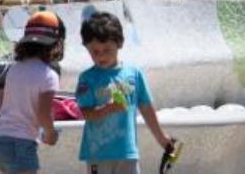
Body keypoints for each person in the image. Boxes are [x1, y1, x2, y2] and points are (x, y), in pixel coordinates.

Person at [74, 11, 174, 174]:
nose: (101, 56)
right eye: (95, 51)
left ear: (119, 43)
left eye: (107, 49)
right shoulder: (87, 79)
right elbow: (85, 113)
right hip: (97, 154)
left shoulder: (133, 74)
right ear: (87, 48)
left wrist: (162, 139)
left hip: (127, 153)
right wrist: (108, 109)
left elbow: (147, 109)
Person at [0, 11, 65, 174]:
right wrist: (50, 134)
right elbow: (43, 113)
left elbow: (2, 104)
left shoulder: (14, 70)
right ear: (55, 45)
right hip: (22, 143)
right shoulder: (49, 75)